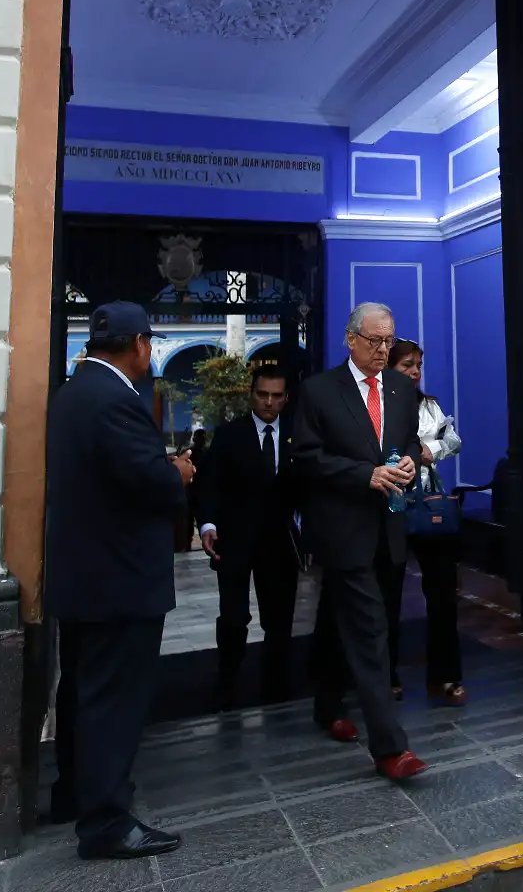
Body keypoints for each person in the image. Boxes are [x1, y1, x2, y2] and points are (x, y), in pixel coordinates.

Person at [45, 301, 195, 861]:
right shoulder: (115, 400)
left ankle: (75, 795)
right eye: (149, 345)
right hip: (118, 581)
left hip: (85, 577)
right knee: (113, 702)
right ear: (138, 344)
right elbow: (150, 484)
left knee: (83, 692)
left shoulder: (74, 391)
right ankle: (106, 821)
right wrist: (175, 471)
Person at [291, 302, 428, 781]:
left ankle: (327, 703)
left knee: (341, 622)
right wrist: (362, 475)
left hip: (388, 530)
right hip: (343, 529)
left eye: (389, 341)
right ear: (351, 339)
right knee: (371, 633)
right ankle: (391, 749)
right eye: (374, 342)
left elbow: (408, 442)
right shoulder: (318, 392)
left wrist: (410, 463)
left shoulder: (401, 388)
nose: (383, 350)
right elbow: (307, 459)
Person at [195, 367, 302, 708]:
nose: (269, 402)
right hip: (235, 540)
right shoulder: (229, 435)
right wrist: (208, 525)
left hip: (280, 542)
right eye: (262, 394)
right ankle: (227, 681)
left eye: (276, 396)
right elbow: (209, 485)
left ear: (286, 398)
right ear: (252, 394)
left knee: (279, 618)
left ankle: (276, 682)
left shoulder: (299, 436)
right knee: (233, 618)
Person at [381, 339, 467, 706]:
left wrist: (434, 450)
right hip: (390, 503)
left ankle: (445, 675)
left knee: (443, 592)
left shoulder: (428, 405)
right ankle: (385, 676)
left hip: (430, 502)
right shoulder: (377, 406)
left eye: (418, 365)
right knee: (388, 593)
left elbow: (454, 438)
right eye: (407, 365)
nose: (415, 372)